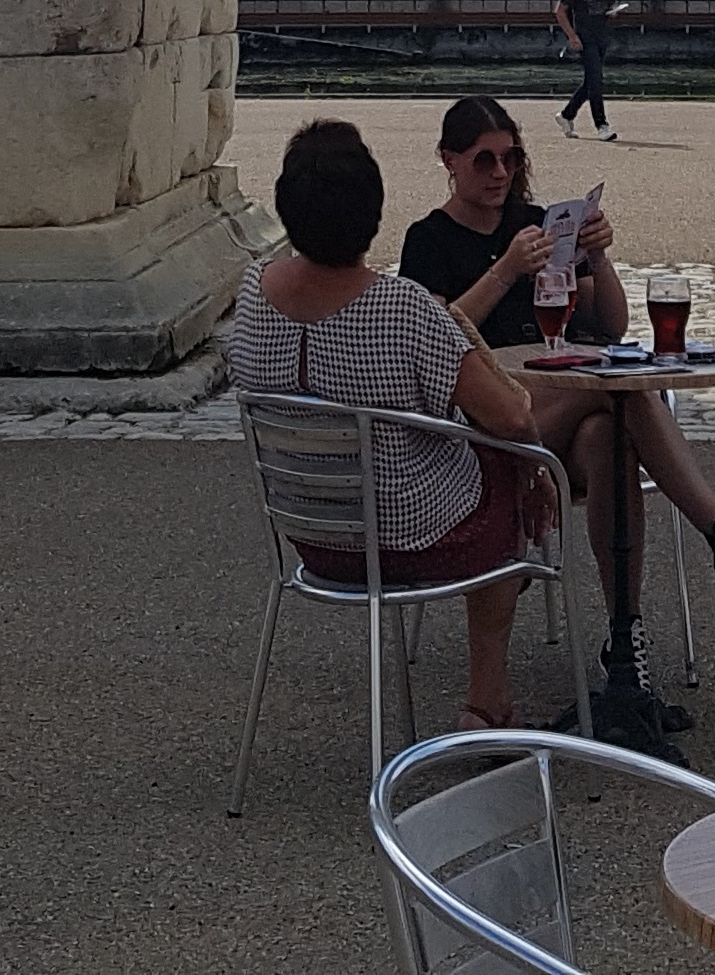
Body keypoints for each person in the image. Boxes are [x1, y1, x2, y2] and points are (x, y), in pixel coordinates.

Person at [395, 96, 715, 594]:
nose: (500, 172)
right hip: (485, 427)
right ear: (449, 160)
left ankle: (624, 628)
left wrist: (598, 258)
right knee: (620, 388)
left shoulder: (538, 223)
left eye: (511, 158)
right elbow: (434, 339)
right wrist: (505, 271)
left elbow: (610, 326)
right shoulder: (429, 239)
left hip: (555, 415)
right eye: (484, 160)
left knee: (607, 439)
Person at [226, 118, 556, 730]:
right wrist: (536, 471)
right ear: (372, 210)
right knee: (503, 470)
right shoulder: (401, 307)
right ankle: (487, 700)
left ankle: (488, 702)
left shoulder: (253, 290)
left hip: (311, 534)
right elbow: (510, 416)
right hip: (408, 537)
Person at [554, 0, 631, 138]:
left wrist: (613, 11)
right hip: (584, 36)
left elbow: (611, 3)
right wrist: (572, 36)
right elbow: (560, 11)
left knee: (591, 81)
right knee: (596, 80)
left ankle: (566, 115)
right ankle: (601, 125)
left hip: (602, 34)